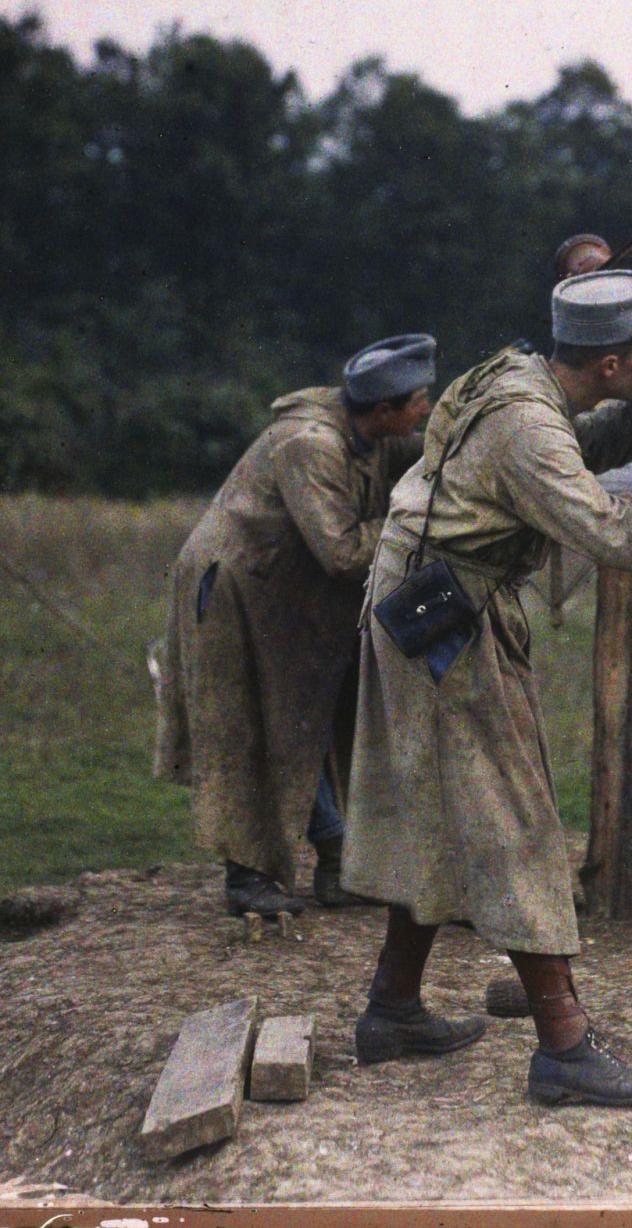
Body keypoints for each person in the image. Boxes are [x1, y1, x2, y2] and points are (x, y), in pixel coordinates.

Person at [340, 269, 632, 1108]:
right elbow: (619, 533)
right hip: (445, 616)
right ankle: (565, 1047)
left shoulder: (513, 373)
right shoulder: (526, 427)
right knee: (514, 819)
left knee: (445, 805)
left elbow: (583, 445)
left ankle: (393, 1007)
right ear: (614, 362)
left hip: (425, 593)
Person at [154, 334, 438, 917]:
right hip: (235, 592)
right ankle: (247, 877)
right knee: (248, 727)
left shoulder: (368, 434)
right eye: (419, 402)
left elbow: (437, 452)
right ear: (383, 411)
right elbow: (340, 551)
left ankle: (339, 858)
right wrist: (420, 526)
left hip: (281, 593)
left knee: (310, 721)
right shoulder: (310, 443)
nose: (426, 411)